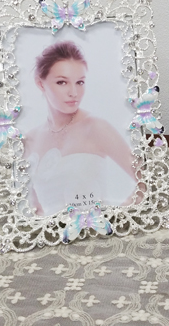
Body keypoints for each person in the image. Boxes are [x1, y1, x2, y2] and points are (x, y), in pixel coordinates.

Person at [23, 40, 137, 216]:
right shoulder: (30, 140)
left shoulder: (96, 128)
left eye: (80, 82)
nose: (74, 93)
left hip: (97, 228)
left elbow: (148, 180)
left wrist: (115, 218)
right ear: (40, 83)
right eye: (62, 82)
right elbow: (34, 209)